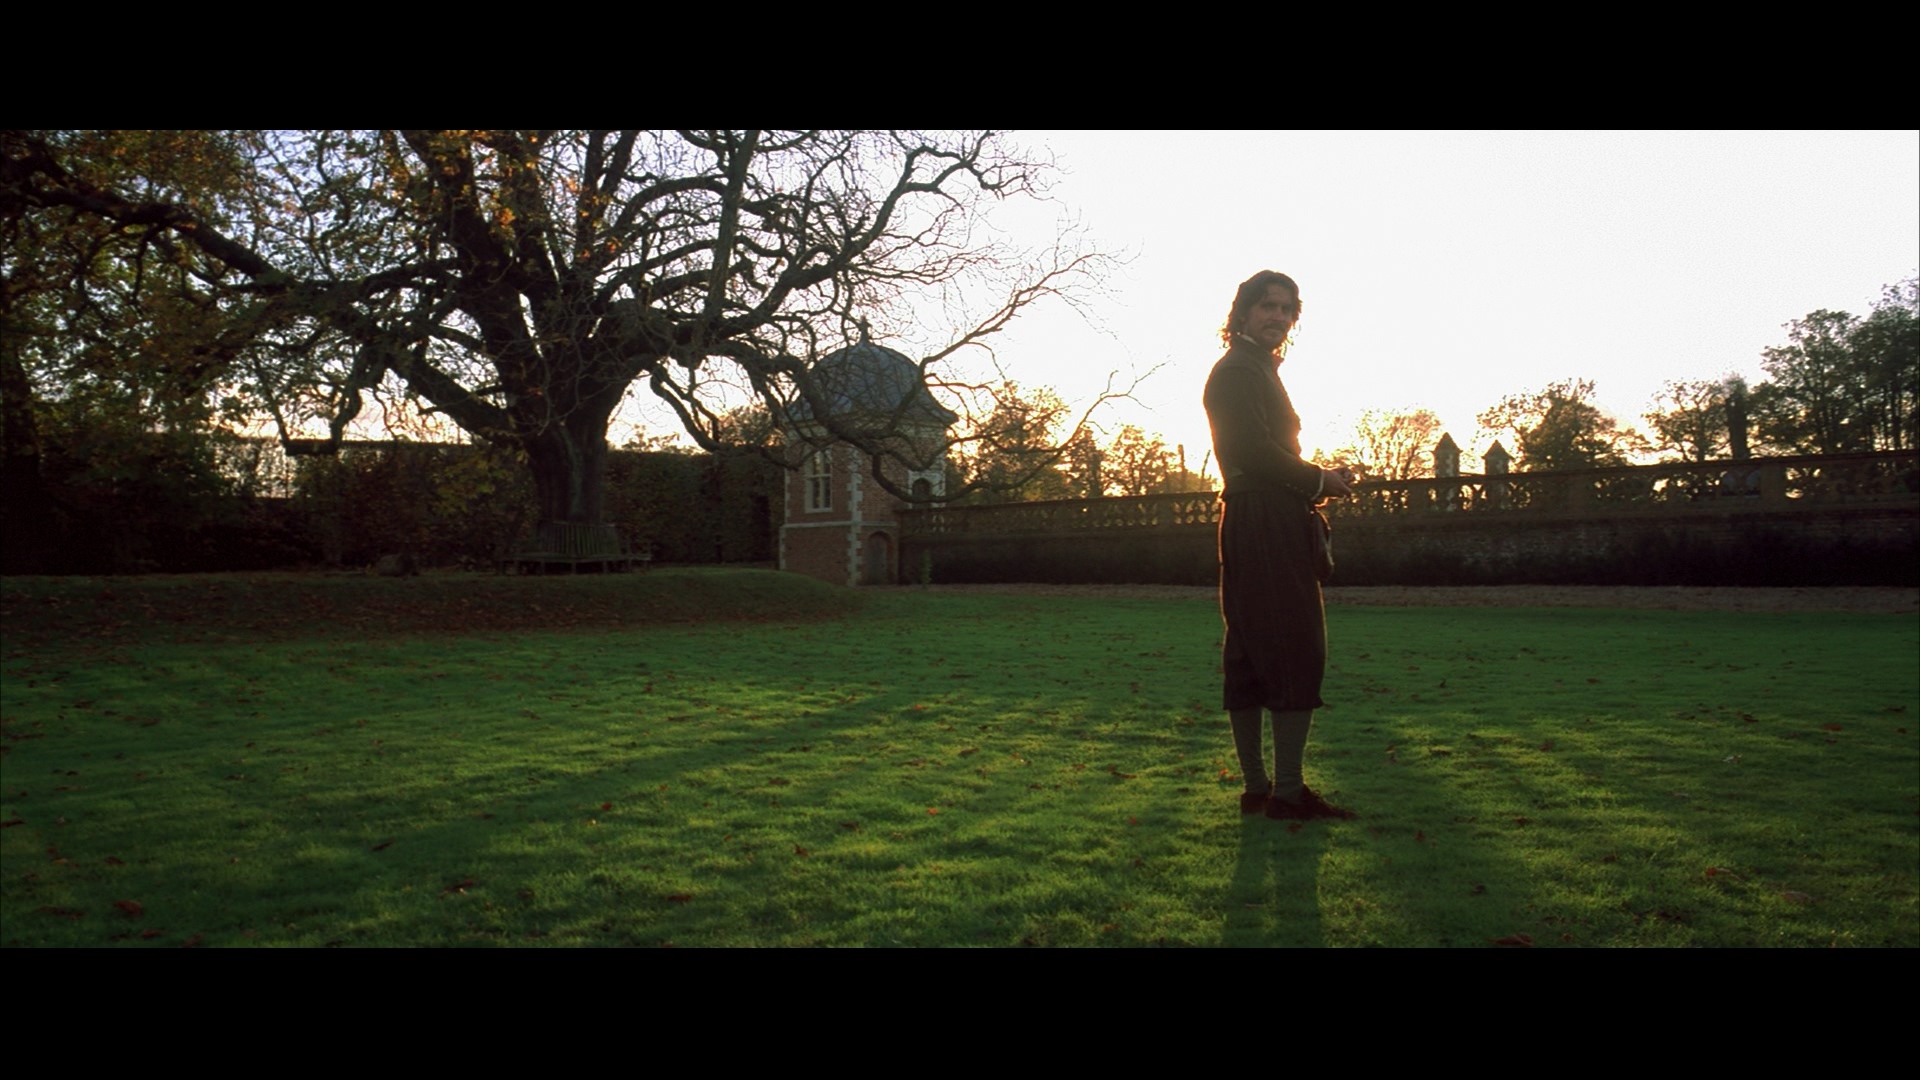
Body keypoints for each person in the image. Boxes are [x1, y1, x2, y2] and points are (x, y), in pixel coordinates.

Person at [1203, 271, 1355, 821]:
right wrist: (1318, 479)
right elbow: (1253, 451)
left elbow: (1264, 451)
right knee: (1294, 645)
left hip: (1257, 517)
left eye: (1287, 309)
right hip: (1264, 518)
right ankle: (1285, 794)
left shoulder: (1254, 368)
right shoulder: (1238, 370)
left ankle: (1259, 790)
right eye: (1267, 305)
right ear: (1242, 312)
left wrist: (1315, 480)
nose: (1278, 316)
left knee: (1249, 648)